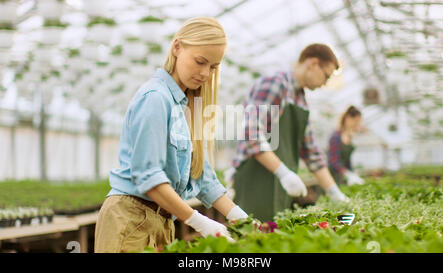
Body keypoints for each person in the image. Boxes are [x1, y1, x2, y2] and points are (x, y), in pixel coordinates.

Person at [95, 17, 249, 253]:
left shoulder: (186, 107)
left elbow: (203, 177)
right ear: (177, 47)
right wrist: (199, 221)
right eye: (200, 61)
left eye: (213, 67)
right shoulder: (156, 98)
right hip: (131, 218)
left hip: (162, 220)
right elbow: (149, 177)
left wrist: (241, 220)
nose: (205, 73)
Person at [226, 43, 350, 222]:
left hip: (279, 183)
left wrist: (334, 192)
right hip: (256, 180)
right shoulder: (276, 84)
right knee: (251, 239)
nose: (325, 83)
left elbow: (311, 152)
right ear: (313, 63)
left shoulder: (300, 98)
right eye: (326, 76)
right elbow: (251, 134)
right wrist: (283, 172)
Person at [327, 106, 365, 186]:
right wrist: (346, 173)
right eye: (356, 121)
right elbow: (333, 161)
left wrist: (352, 173)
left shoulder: (349, 136)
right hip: (332, 177)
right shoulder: (336, 136)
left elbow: (347, 161)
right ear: (348, 118)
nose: (357, 124)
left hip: (342, 177)